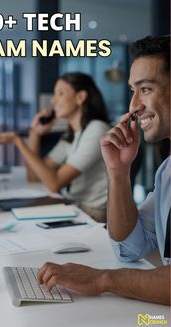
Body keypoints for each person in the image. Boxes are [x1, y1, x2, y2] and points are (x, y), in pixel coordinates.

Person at [37, 35, 170, 305]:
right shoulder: (167, 172)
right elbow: (130, 247)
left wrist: (102, 280)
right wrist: (118, 171)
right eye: (133, 91)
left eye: (145, 89)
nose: (134, 106)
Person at [0, 72, 110, 222]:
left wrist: (18, 141)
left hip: (93, 213)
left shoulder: (97, 130)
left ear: (80, 97)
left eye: (60, 94)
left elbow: (54, 183)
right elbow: (35, 177)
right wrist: (35, 134)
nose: (54, 100)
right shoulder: (72, 135)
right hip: (75, 206)